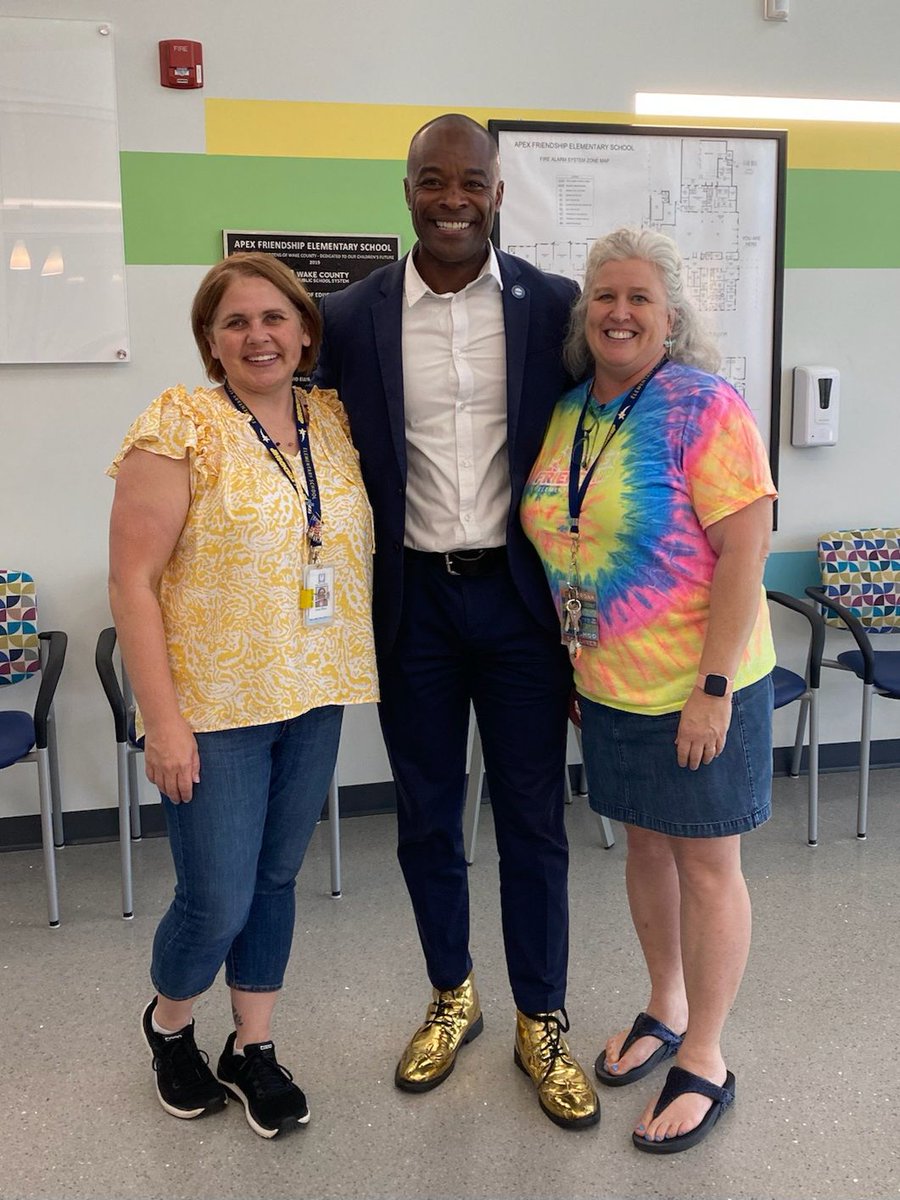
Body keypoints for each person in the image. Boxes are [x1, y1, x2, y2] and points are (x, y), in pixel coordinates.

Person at [313, 113, 599, 1129]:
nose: (451, 200)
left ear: (497, 193)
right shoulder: (349, 317)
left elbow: (610, 428)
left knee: (534, 821)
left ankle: (542, 1016)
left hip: (520, 604)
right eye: (432, 181)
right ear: (406, 191)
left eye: (470, 182)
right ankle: (452, 995)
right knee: (428, 816)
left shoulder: (553, 306)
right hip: (414, 605)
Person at [107, 252, 377, 1139]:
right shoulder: (179, 424)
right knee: (216, 898)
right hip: (213, 710)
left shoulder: (331, 418)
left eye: (274, 318)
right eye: (236, 322)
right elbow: (132, 582)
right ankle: (170, 1024)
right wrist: (163, 723)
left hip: (313, 693)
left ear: (305, 331)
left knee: (274, 880)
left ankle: (251, 1047)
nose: (258, 335)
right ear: (211, 340)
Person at [521, 226, 777, 1154]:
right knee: (643, 849)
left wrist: (713, 685)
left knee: (707, 865)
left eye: (640, 299)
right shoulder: (571, 412)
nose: (619, 313)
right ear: (584, 313)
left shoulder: (704, 404)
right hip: (609, 685)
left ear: (672, 318)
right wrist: (579, 665)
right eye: (605, 296)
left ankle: (705, 1055)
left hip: (699, 686)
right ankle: (666, 1005)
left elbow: (746, 547)